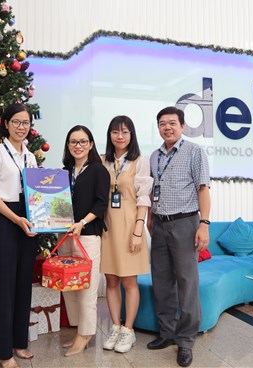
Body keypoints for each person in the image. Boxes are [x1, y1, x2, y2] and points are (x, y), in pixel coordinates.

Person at [146, 106, 211, 368]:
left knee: (187, 282)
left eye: (172, 123)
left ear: (182, 126)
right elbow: (152, 191)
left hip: (185, 223)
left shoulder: (194, 152)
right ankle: (167, 333)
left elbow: (203, 189)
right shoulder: (154, 156)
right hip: (159, 225)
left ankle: (185, 340)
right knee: (161, 281)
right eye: (162, 123)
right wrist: (150, 220)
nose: (167, 127)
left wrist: (204, 224)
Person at [0, 104, 37, 368]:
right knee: (3, 285)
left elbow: (36, 192)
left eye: (25, 123)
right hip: (6, 219)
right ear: (6, 124)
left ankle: (19, 342)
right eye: (16, 122)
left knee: (24, 283)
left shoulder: (31, 156)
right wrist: (15, 218)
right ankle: (4, 352)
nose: (21, 127)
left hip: (29, 218)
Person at [100, 116, 152, 353]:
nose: (119, 136)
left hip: (131, 225)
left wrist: (138, 230)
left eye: (124, 132)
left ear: (132, 135)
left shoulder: (139, 161)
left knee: (130, 281)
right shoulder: (103, 161)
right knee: (111, 280)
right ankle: (115, 326)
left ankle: (129, 330)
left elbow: (143, 198)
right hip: (108, 226)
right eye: (115, 132)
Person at [60, 125, 110, 357]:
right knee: (69, 286)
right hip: (65, 235)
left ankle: (86, 334)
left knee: (86, 288)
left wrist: (82, 222)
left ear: (90, 144)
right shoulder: (65, 171)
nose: (77, 146)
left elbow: (101, 204)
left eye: (82, 141)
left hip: (87, 235)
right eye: (73, 142)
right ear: (68, 146)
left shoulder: (98, 170)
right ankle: (79, 329)